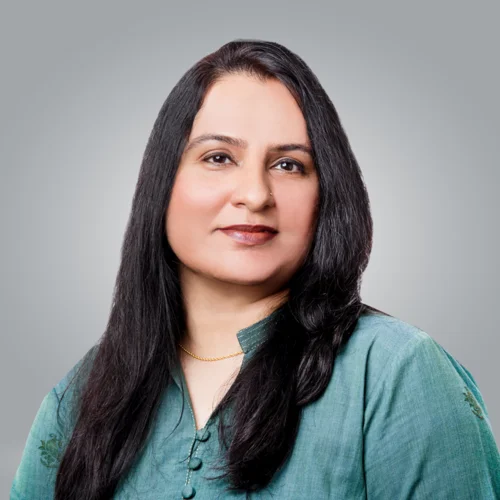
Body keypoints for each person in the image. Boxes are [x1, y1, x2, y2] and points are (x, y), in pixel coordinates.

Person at [11, 39, 500, 500]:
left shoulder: (397, 373)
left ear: (325, 194)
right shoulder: (81, 397)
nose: (255, 195)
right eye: (218, 157)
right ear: (162, 183)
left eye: (289, 165)